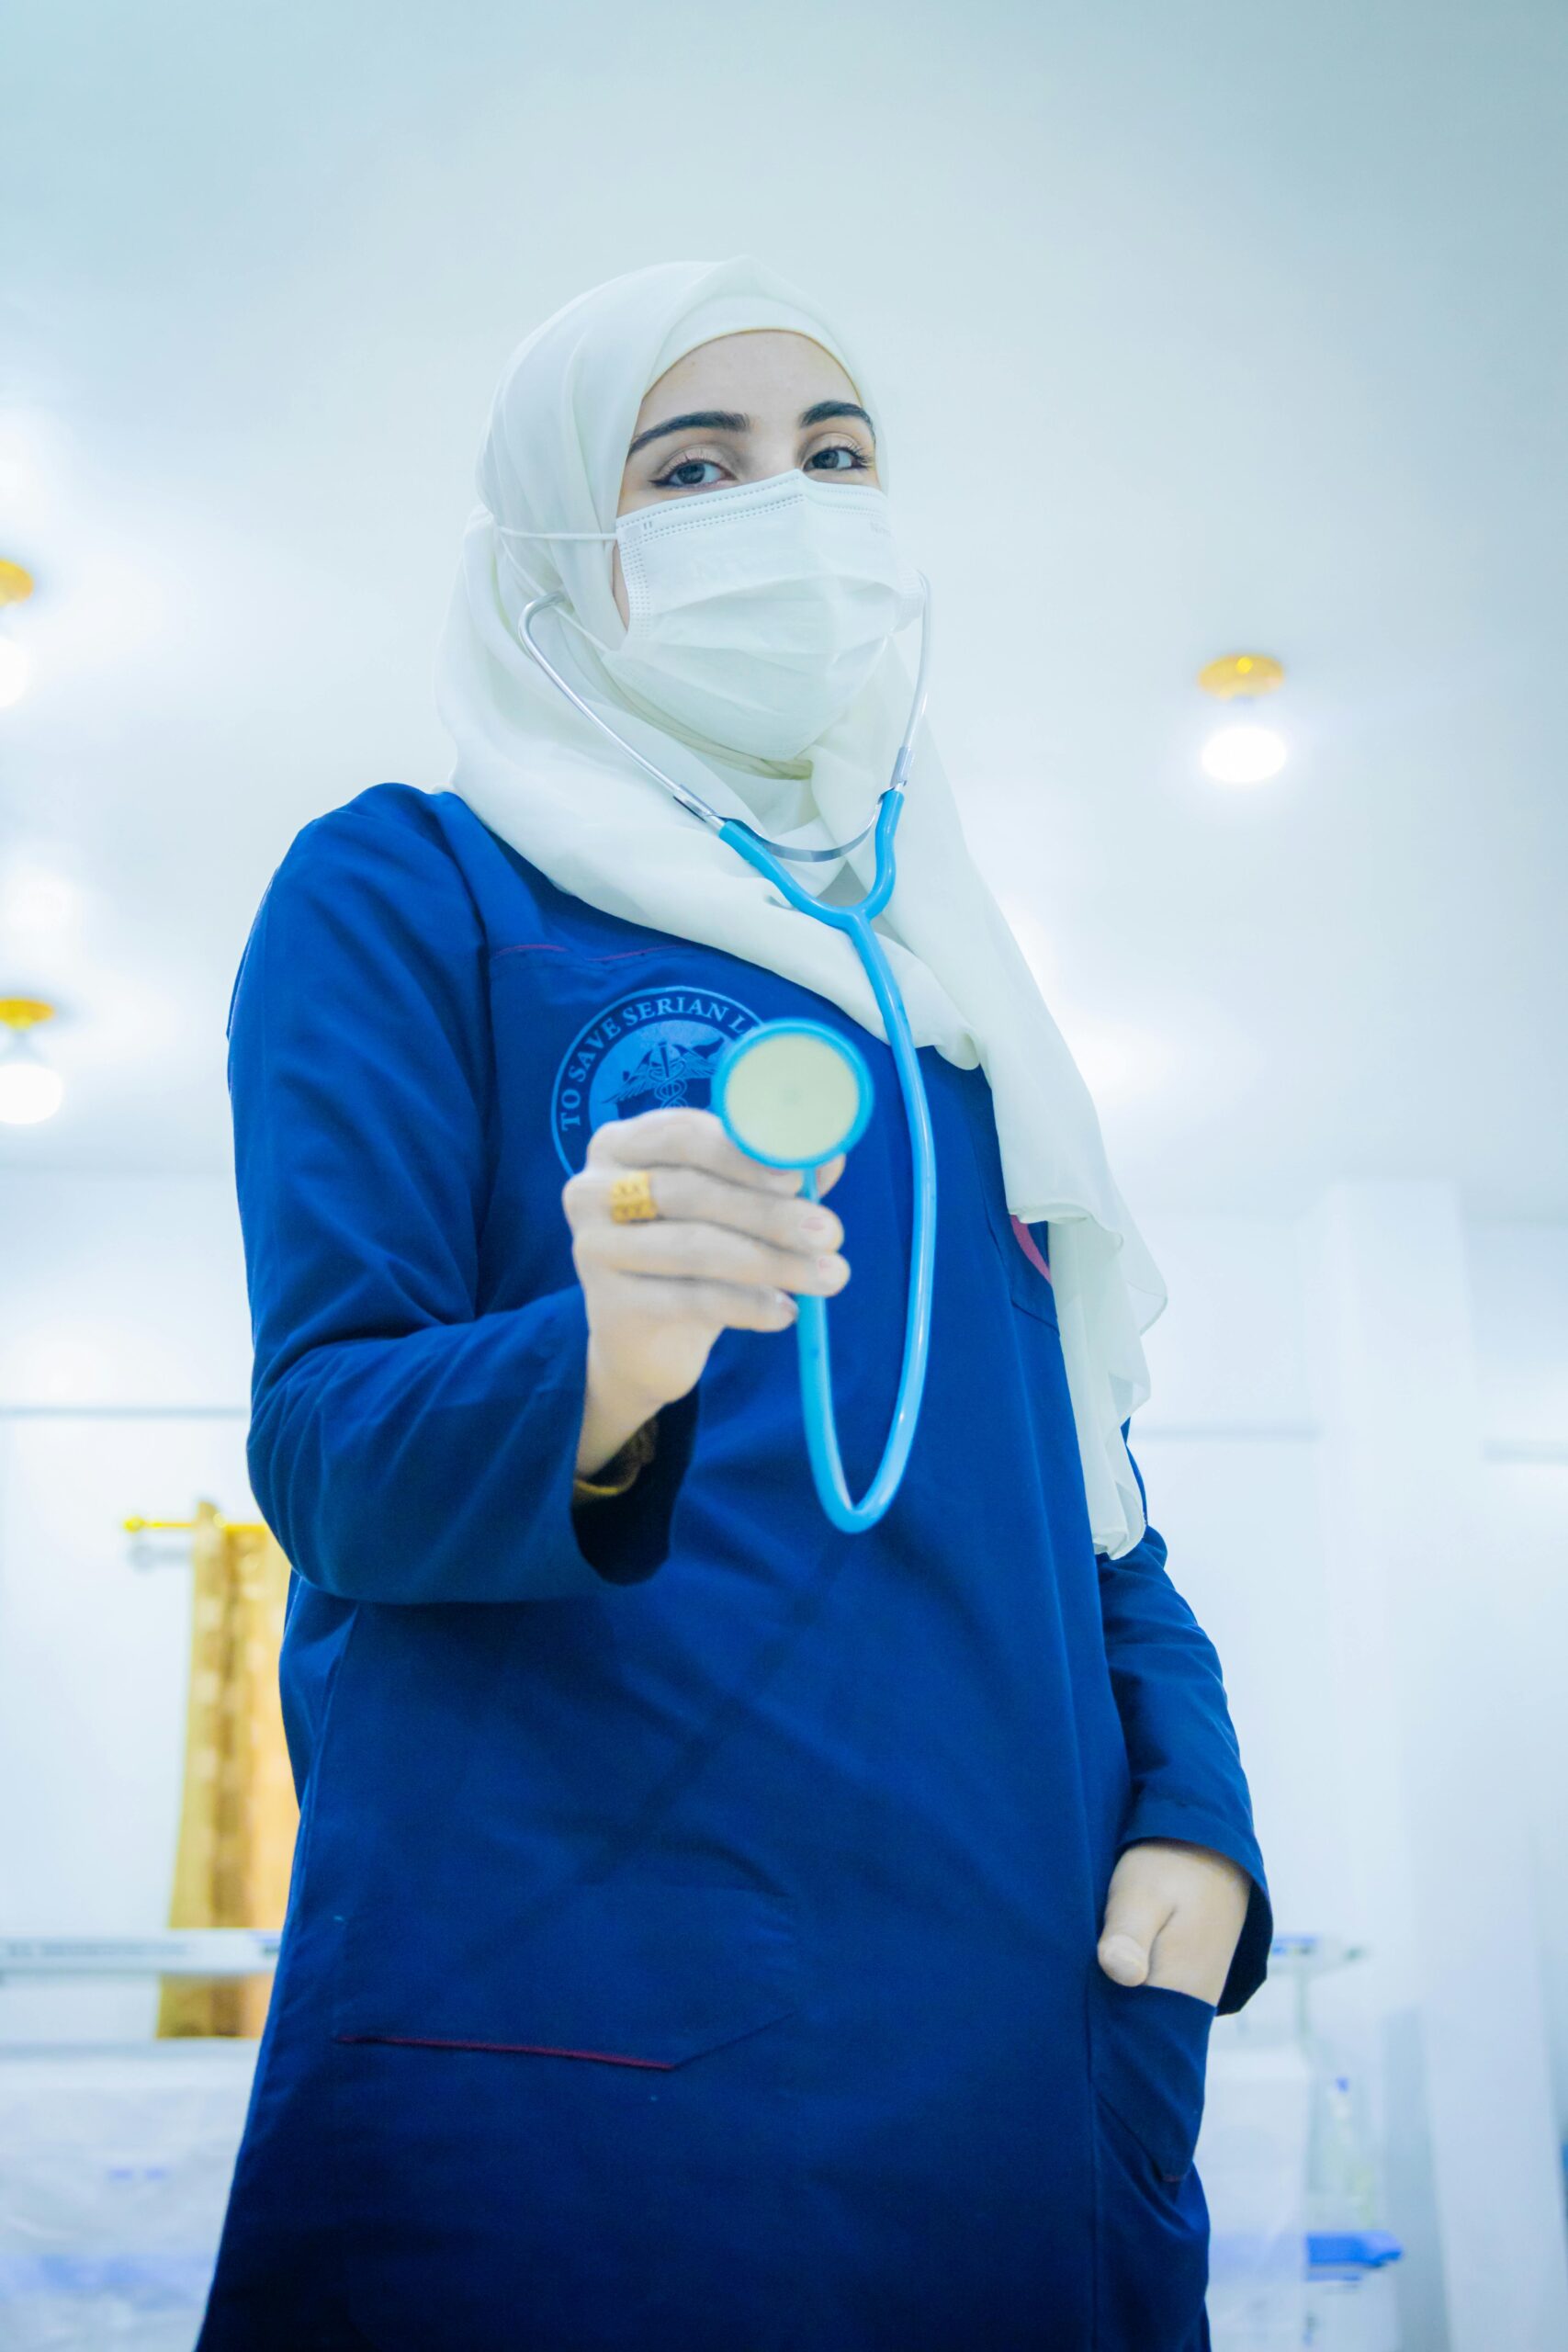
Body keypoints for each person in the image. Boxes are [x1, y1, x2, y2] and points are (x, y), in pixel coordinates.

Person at [198, 256, 1271, 2352]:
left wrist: (1198, 1810)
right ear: (554, 554)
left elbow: (1092, 1500)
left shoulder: (952, 1016)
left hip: (1015, 2035)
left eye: (835, 455)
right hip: (593, 2013)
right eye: (692, 469)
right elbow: (325, 1450)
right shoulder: (415, 887)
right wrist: (598, 1363)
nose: (786, 509)